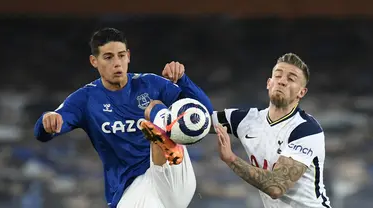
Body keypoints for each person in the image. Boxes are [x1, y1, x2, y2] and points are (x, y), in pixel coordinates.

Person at [34, 27, 213, 208]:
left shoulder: (150, 84)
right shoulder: (85, 99)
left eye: (121, 55)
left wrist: (183, 79)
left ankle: (162, 136)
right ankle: (159, 134)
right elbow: (42, 133)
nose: (117, 63)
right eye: (109, 57)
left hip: (174, 171)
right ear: (94, 61)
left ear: (128, 56)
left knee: (155, 107)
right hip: (134, 187)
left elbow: (205, 113)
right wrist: (46, 122)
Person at [212, 53, 332, 208]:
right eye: (278, 76)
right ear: (269, 83)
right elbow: (197, 120)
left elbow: (276, 187)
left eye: (291, 79)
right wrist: (180, 83)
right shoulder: (247, 119)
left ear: (301, 92)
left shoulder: (306, 129)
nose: (282, 81)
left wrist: (230, 158)